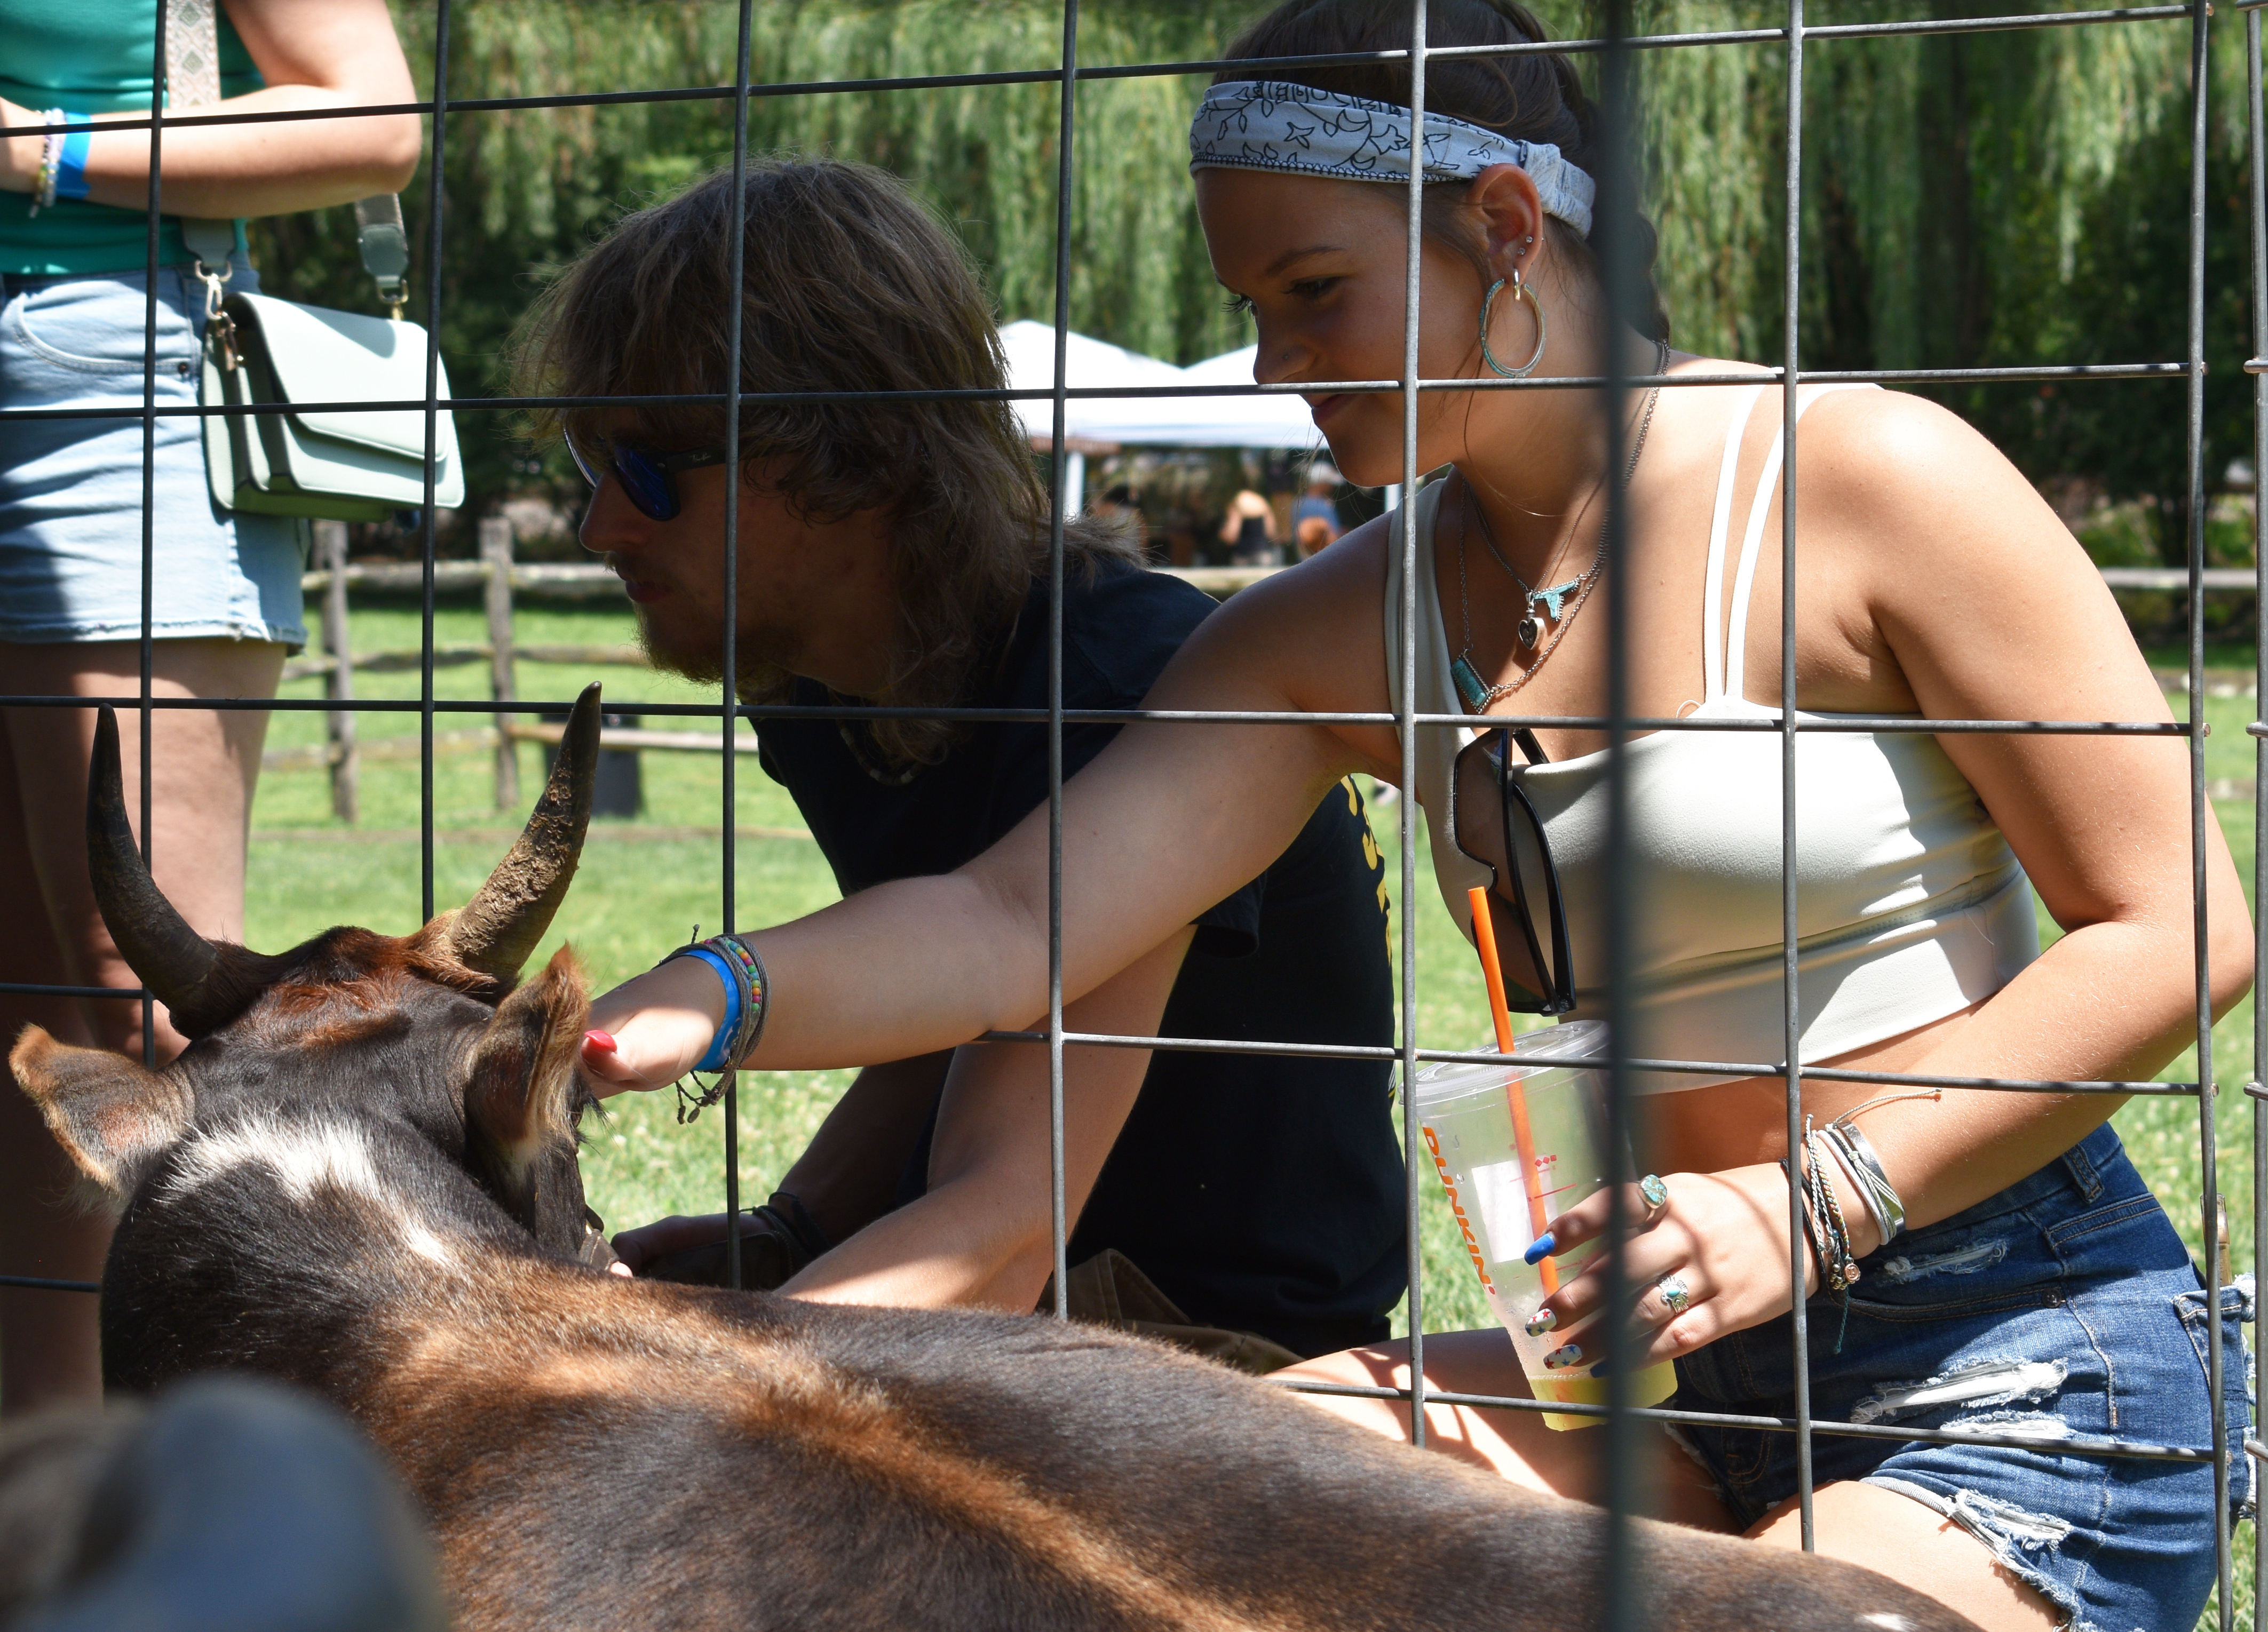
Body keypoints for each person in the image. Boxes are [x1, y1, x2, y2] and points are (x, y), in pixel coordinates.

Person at [576, 4, 2253, 1628]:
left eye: (1313, 293)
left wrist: (1807, 1201)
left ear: (1505, 226)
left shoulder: (1864, 478)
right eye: (1252, 305)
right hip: (1648, 1355)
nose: (1271, 362)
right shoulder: (1339, 621)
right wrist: (708, 992)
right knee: (1153, 1513)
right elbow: (1016, 922)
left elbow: (2180, 925)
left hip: (2006, 1349)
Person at [520, 158, 1407, 1366]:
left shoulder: (1114, 683)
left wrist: (689, 1385)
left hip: (1211, 1351)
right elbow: (962, 1020)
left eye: (648, 473)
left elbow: (1003, 1232)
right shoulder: (813, 682)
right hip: (1032, 1307)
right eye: (589, 467)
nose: (601, 527)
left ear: (855, 455)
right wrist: (792, 1234)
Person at [0, 2, 419, 1415]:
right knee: (25, 1036)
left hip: (99, 389)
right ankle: (51, 1518)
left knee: (165, 1029)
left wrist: (37, 148)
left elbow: (370, 113)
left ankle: (257, 1506)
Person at [1290, 462, 1344, 555]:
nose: (1331, 488)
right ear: (1321, 484)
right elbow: (1333, 536)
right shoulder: (1324, 506)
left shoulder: (1297, 504)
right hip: (1325, 558)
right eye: (1329, 484)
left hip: (1303, 557)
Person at [1218, 485, 1279, 565]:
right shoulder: (1264, 506)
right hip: (1263, 554)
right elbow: (1271, 532)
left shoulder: (1238, 505)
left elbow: (1231, 536)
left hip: (1243, 556)